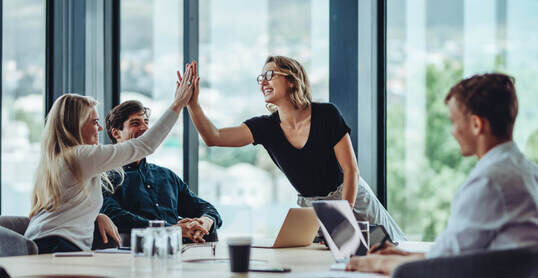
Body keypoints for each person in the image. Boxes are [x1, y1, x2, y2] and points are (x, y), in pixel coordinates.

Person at [180, 56, 406, 241]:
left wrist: (341, 218)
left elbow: (351, 171)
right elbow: (214, 137)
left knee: (392, 247)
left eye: (270, 75)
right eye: (261, 78)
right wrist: (193, 104)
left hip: (351, 196)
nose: (263, 82)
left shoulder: (327, 114)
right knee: (323, 265)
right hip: (312, 209)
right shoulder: (264, 127)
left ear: (291, 80)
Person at [346, 73, 538, 275]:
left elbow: (443, 267)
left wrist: (375, 263)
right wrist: (401, 255)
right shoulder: (528, 172)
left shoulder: (489, 182)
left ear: (476, 125)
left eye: (454, 122)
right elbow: (456, 255)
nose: (453, 132)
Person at [24, 64, 195, 254]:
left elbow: (66, 206)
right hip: (57, 247)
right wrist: (178, 104)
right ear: (76, 125)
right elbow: (144, 145)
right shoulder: (79, 156)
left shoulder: (59, 159)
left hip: (45, 243)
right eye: (94, 122)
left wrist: (97, 216)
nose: (99, 128)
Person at [100, 100, 222, 243]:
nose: (145, 128)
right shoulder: (106, 178)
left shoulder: (166, 175)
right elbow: (115, 216)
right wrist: (172, 229)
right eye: (135, 123)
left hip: (182, 254)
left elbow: (207, 209)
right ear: (116, 133)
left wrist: (205, 222)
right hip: (136, 255)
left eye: (146, 122)